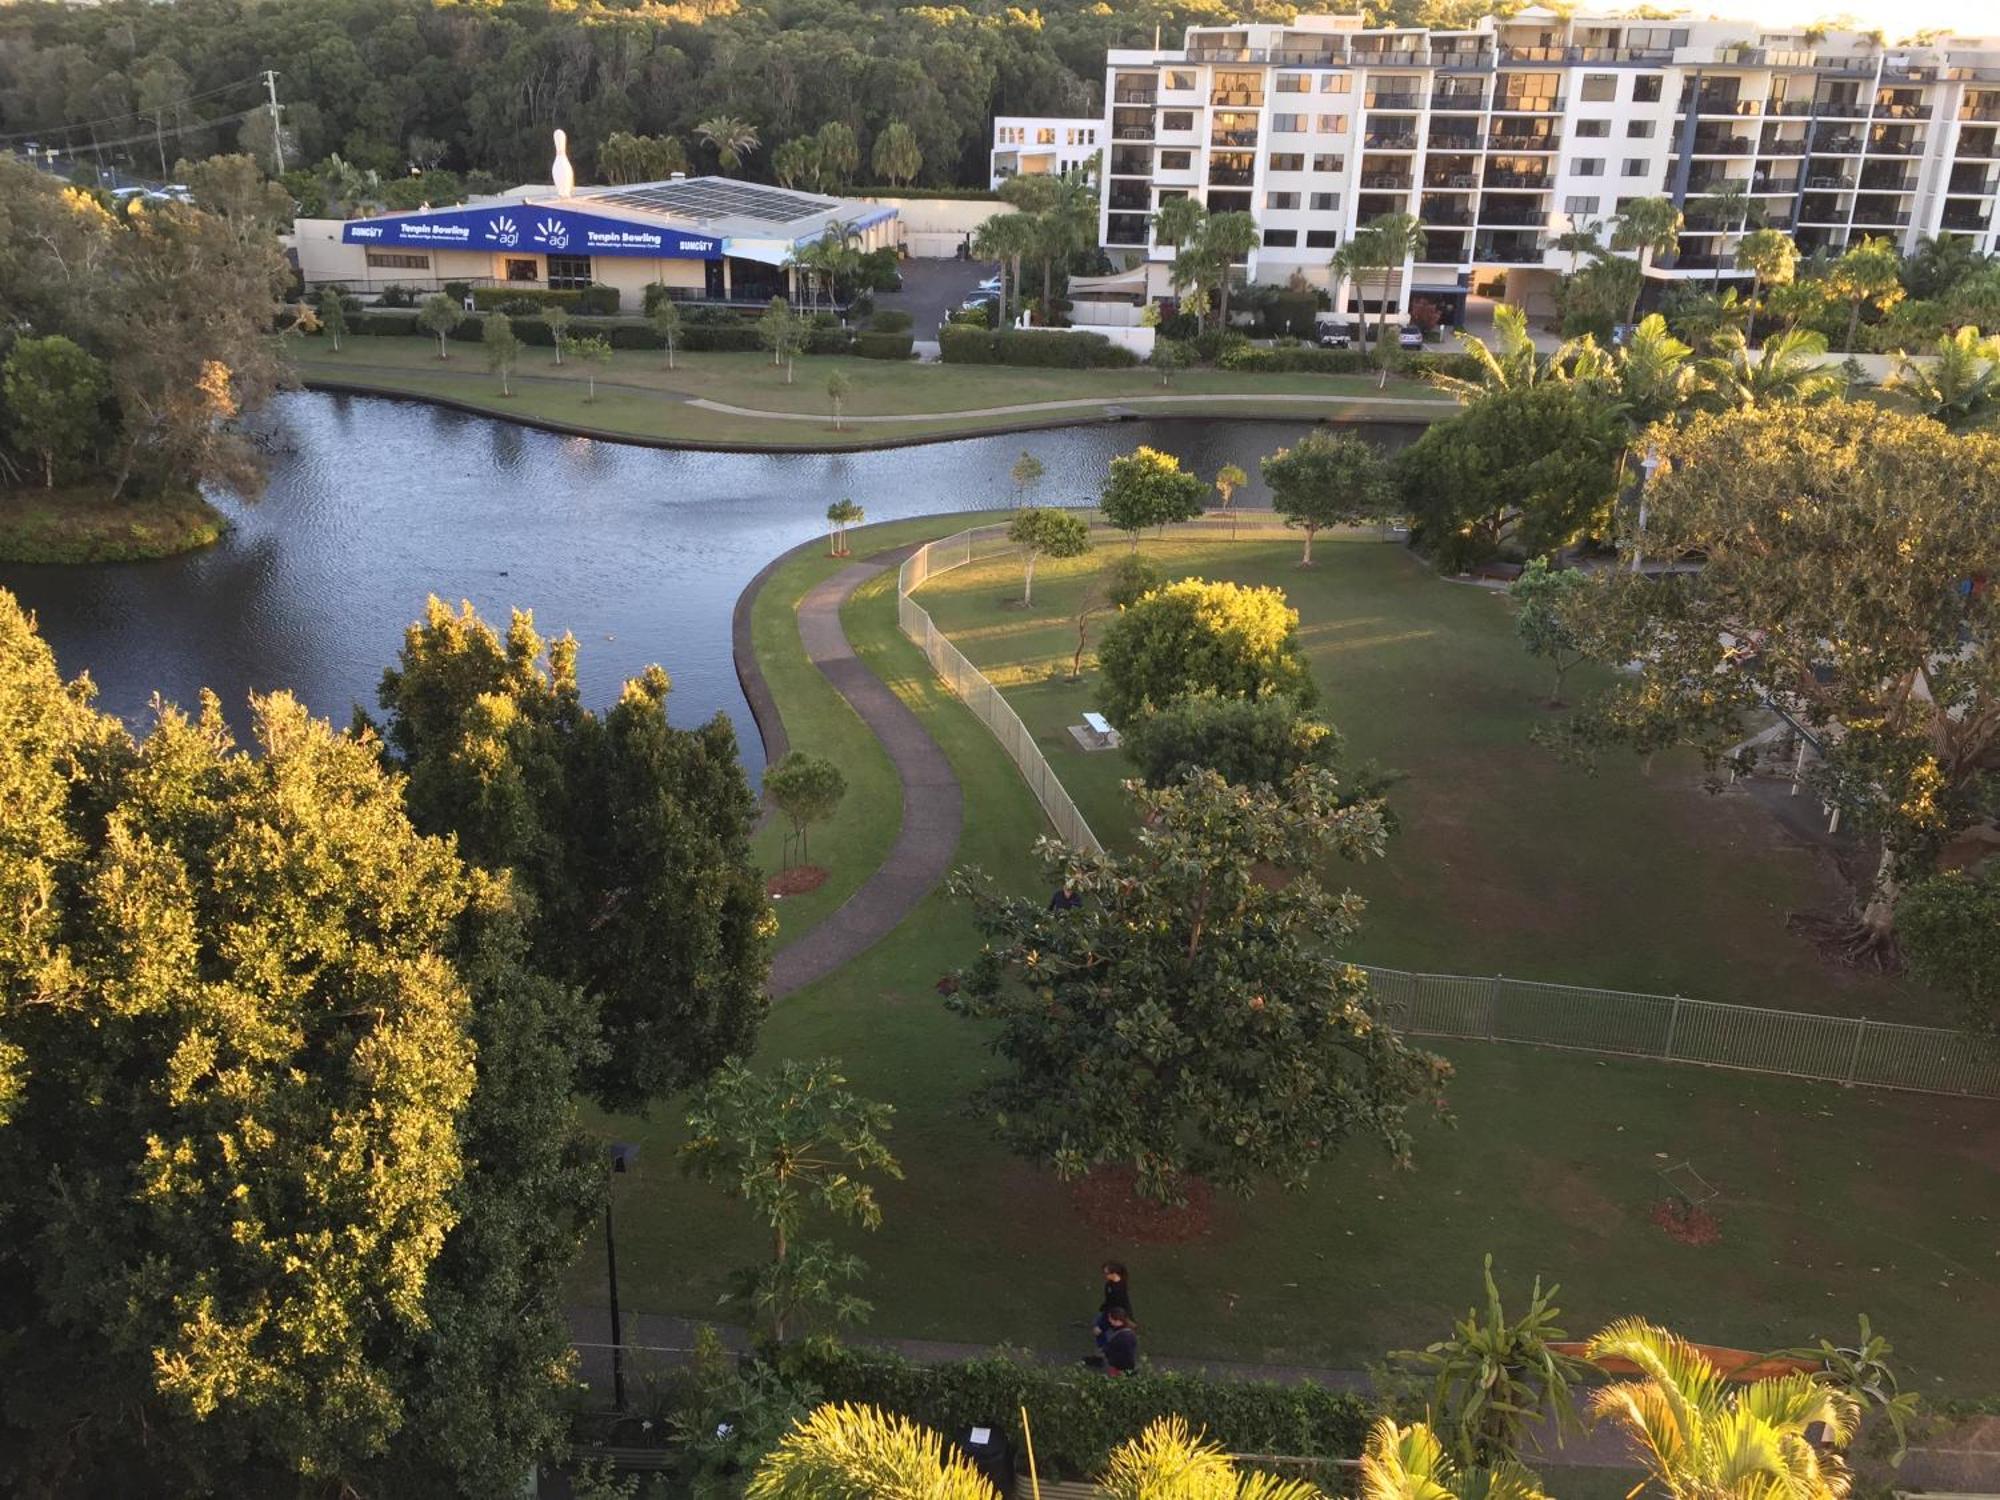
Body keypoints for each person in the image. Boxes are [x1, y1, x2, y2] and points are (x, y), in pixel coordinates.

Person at [1093, 1260, 1132, 1348]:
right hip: (1109, 1310)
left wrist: (1102, 1326)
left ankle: (1105, 1348)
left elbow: (1115, 1307)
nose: (1105, 1275)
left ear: (1114, 1273)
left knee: (1100, 1330)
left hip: (1114, 1313)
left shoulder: (1118, 1290)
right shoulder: (1111, 1284)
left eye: (1107, 1273)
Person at [1101, 1306, 1139, 1376]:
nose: (1109, 1320)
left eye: (1111, 1319)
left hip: (1119, 1370)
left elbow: (1127, 1356)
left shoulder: (1124, 1337)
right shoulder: (1129, 1332)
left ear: (1117, 1320)